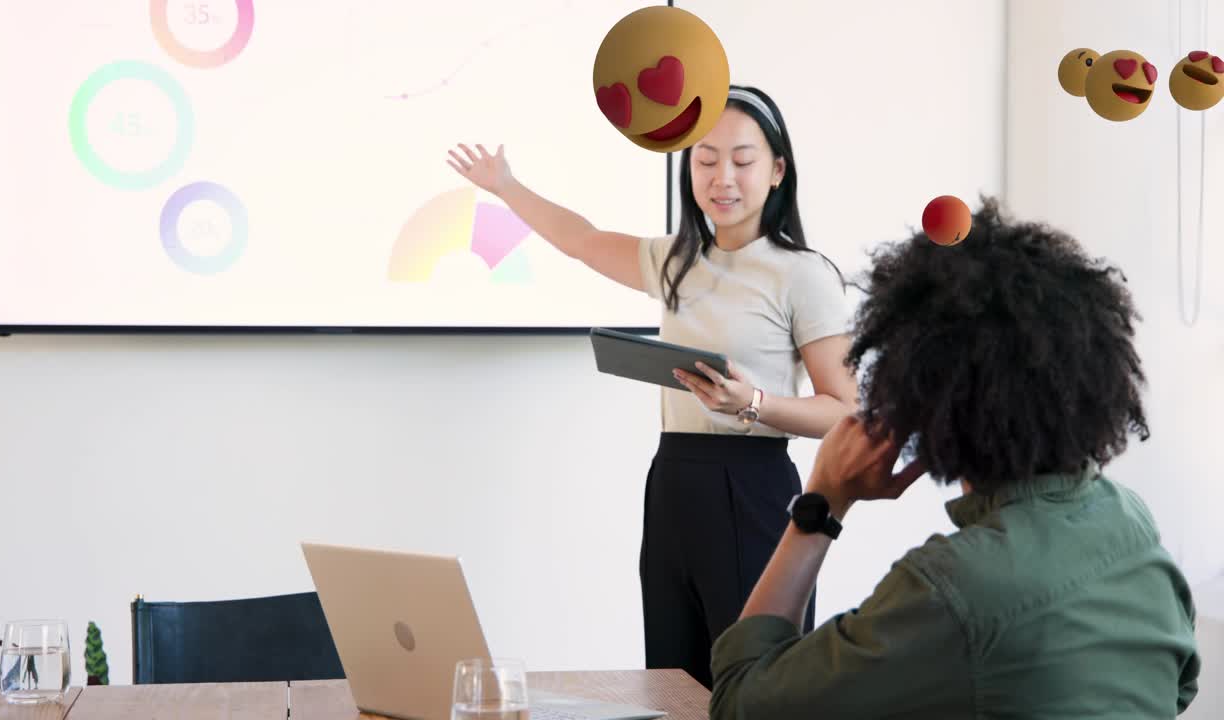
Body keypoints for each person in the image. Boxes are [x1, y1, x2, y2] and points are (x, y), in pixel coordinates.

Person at [709, 198, 1201, 718]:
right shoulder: (1126, 516)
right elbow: (1179, 684)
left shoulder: (955, 588)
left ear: (925, 397)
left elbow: (743, 701)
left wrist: (822, 502)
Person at [446, 85, 858, 688]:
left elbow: (845, 412)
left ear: (776, 171)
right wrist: (506, 185)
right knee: (673, 679)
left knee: (758, 683)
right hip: (672, 481)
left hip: (753, 486)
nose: (723, 177)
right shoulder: (675, 261)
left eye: (742, 161)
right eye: (705, 159)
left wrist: (754, 403)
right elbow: (582, 240)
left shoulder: (804, 273)